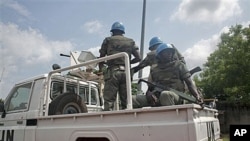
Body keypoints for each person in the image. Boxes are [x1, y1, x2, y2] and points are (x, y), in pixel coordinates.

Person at [133, 43, 203, 108]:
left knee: (165, 94)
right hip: (156, 96)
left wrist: (197, 96)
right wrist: (148, 94)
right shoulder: (154, 69)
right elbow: (150, 87)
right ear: (159, 55)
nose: (169, 54)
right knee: (132, 99)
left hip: (175, 96)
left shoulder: (179, 65)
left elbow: (189, 83)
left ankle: (171, 120)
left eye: (170, 52)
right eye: (165, 53)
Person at [99, 21, 141, 111]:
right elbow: (138, 58)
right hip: (126, 73)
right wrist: (128, 62)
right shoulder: (131, 41)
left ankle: (107, 121)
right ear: (123, 32)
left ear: (112, 31)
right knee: (127, 102)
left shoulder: (108, 40)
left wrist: (101, 69)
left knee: (109, 101)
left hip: (113, 72)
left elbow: (101, 57)